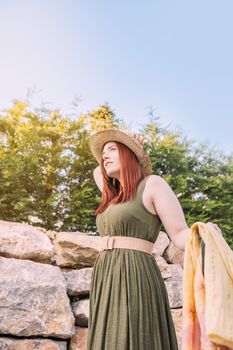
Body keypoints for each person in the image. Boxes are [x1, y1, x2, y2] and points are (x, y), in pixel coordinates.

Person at [86, 128, 191, 350]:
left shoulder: (152, 185)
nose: (104, 156)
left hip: (135, 272)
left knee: (135, 336)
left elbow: (180, 233)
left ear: (128, 154)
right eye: (103, 152)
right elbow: (98, 171)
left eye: (112, 150)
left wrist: (203, 235)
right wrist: (117, 149)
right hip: (106, 275)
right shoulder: (112, 195)